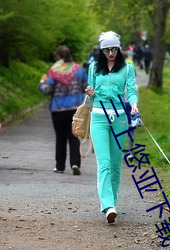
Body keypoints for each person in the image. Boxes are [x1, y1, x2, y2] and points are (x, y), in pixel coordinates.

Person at [85, 31, 138, 223]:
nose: (110, 53)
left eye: (114, 49)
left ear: (119, 48)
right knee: (104, 162)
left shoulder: (127, 68)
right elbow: (91, 97)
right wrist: (90, 92)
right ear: (101, 50)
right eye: (106, 50)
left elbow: (131, 90)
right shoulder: (93, 68)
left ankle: (113, 201)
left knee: (116, 163)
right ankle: (107, 205)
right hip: (98, 117)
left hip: (120, 118)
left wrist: (133, 104)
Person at [39, 45, 88, 175]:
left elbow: (47, 90)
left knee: (60, 138)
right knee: (74, 137)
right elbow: (86, 87)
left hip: (58, 109)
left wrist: (42, 83)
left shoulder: (54, 71)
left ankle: (60, 166)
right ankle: (75, 163)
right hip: (75, 109)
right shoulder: (79, 70)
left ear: (58, 57)